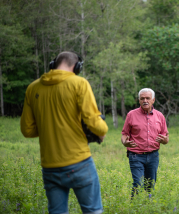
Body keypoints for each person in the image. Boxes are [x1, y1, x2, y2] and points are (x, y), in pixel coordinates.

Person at [20, 51, 108, 214]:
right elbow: (96, 125)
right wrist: (102, 127)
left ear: (53, 65)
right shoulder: (79, 83)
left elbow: (27, 130)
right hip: (79, 161)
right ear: (76, 67)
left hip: (50, 165)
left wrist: (50, 126)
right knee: (93, 211)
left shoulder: (33, 88)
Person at [121, 88, 169, 196]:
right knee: (138, 183)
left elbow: (166, 136)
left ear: (153, 100)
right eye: (142, 98)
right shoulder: (131, 115)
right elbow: (124, 134)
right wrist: (125, 143)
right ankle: (134, 208)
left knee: (150, 186)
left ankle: (147, 208)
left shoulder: (160, 116)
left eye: (148, 98)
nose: (145, 100)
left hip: (153, 156)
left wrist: (165, 140)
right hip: (136, 156)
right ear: (139, 100)